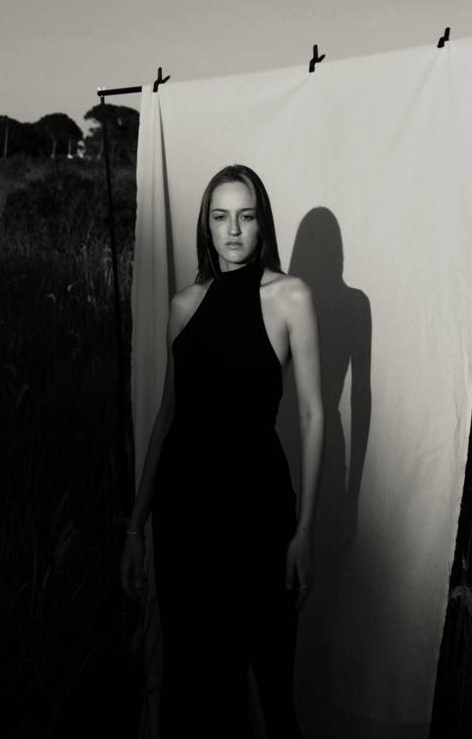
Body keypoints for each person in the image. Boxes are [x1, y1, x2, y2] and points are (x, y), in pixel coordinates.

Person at [120, 163, 324, 738]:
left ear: (262, 223)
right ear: (205, 225)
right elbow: (167, 419)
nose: (233, 230)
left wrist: (304, 531)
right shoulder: (184, 304)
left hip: (259, 514)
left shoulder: (290, 296)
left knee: (272, 691)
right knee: (194, 687)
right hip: (184, 518)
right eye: (220, 216)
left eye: (246, 216)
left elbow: (314, 414)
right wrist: (135, 528)